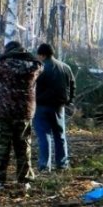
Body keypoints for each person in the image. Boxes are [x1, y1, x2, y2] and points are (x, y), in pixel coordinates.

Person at [0, 41, 43, 187]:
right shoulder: (34, 66)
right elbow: (40, 65)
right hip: (24, 112)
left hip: (3, 112)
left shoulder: (1, 65)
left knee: (2, 147)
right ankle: (25, 180)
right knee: (23, 147)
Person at [34, 43, 75, 172]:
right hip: (59, 107)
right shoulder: (65, 67)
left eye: (38, 55)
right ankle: (62, 164)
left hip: (41, 106)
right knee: (60, 135)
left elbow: (31, 87)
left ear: (42, 55)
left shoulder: (39, 68)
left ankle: (44, 166)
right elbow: (72, 85)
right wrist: (70, 101)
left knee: (44, 136)